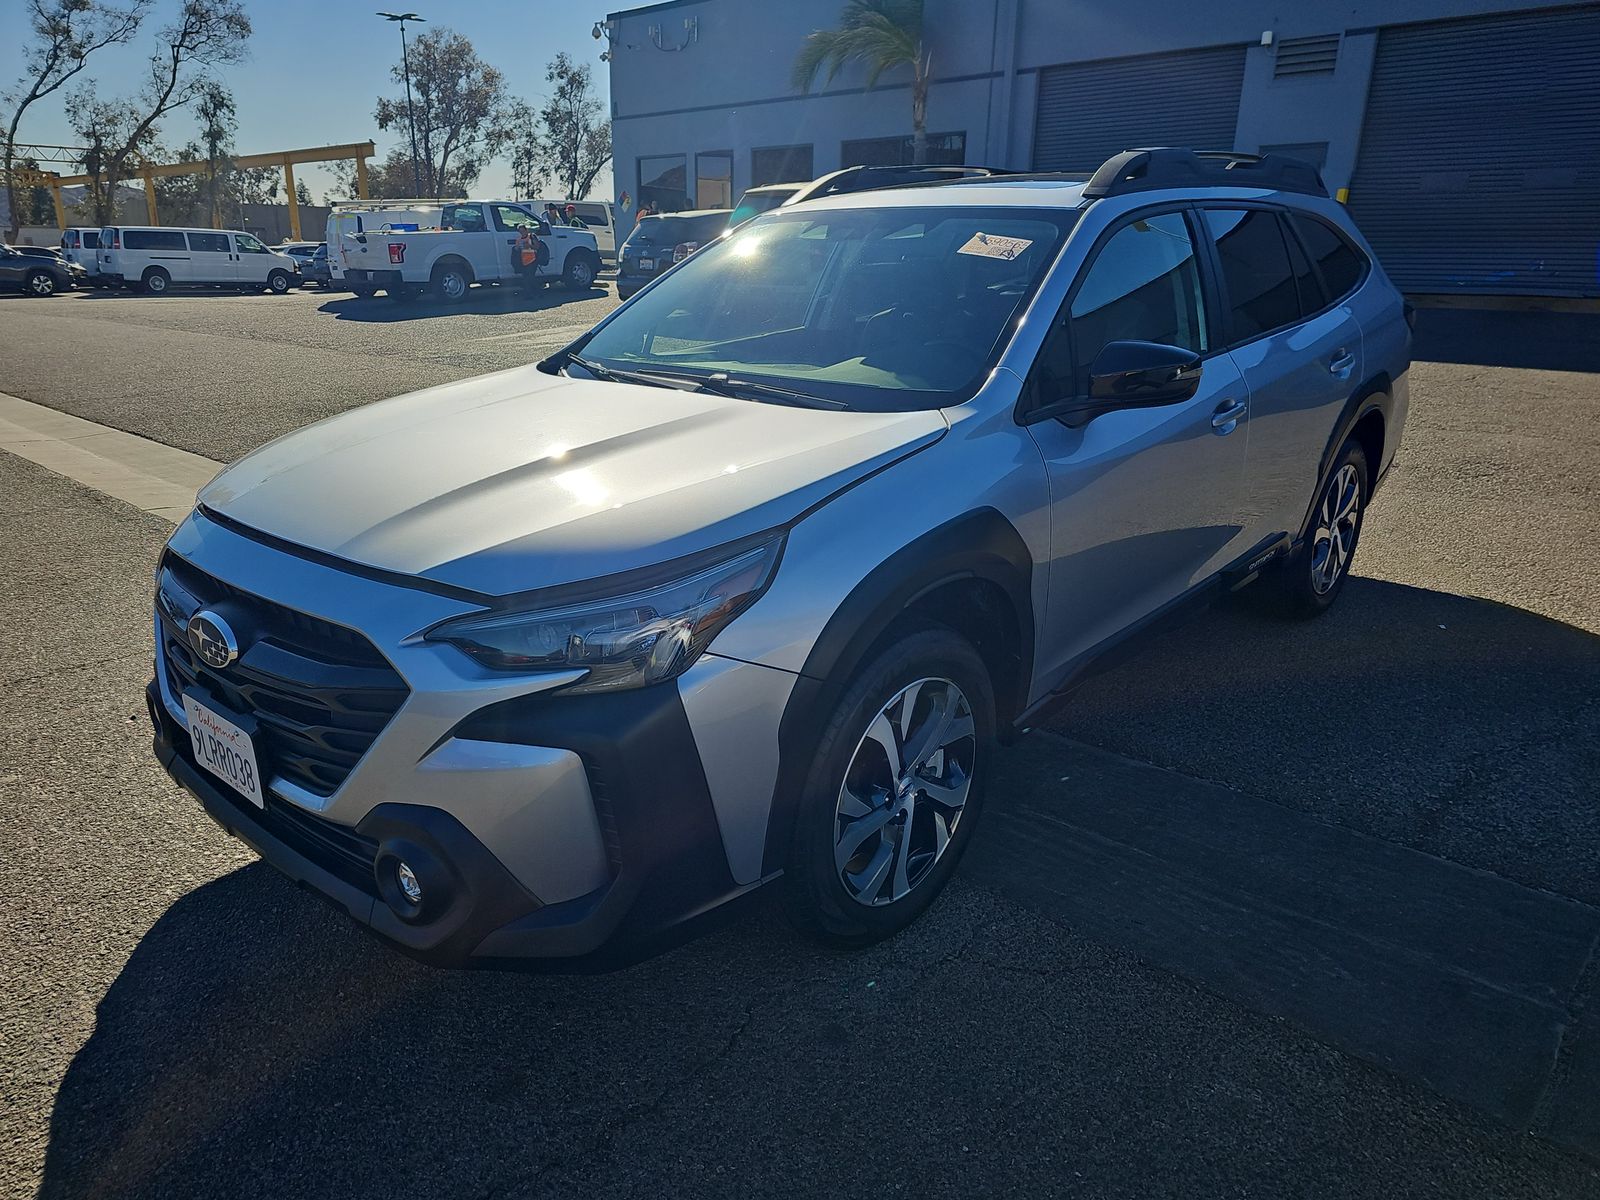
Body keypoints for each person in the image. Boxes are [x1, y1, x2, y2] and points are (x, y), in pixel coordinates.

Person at [515, 222, 542, 295]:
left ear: (526, 230)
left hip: (533, 260)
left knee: (530, 277)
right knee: (526, 278)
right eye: (520, 232)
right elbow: (517, 250)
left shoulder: (531, 236)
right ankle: (531, 293)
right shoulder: (519, 240)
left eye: (523, 231)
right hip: (524, 261)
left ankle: (537, 292)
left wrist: (529, 245)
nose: (522, 233)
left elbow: (537, 247)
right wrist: (517, 248)